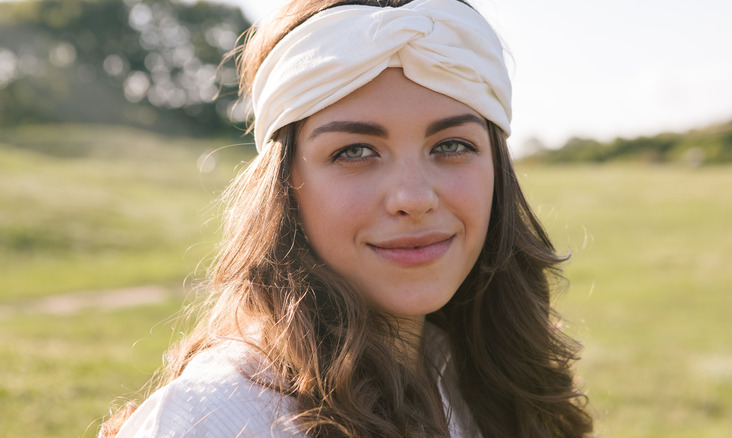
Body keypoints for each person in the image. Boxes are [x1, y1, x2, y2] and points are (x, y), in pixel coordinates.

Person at [102, 0, 593, 436]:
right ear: (285, 185)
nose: (413, 198)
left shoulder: (474, 374)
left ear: (498, 174)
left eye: (451, 145)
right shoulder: (221, 417)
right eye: (355, 151)